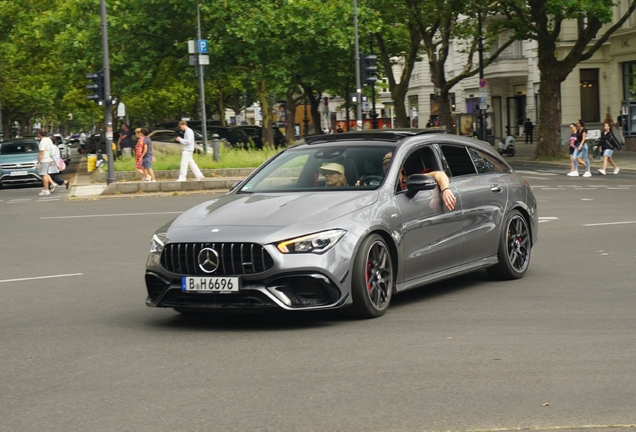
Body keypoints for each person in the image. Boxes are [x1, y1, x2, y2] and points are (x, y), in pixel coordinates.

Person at [385, 152, 456, 211]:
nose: (387, 166)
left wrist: (445, 190)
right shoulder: (379, 183)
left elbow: (439, 174)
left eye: (390, 163)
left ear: (401, 167)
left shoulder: (412, 179)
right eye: (385, 164)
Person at [36, 129, 54, 195]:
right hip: (49, 158)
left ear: (39, 134)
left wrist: (38, 161)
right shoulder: (49, 140)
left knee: (43, 174)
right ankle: (52, 184)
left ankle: (46, 190)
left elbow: (41, 152)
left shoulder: (43, 141)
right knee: (45, 173)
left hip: (44, 159)